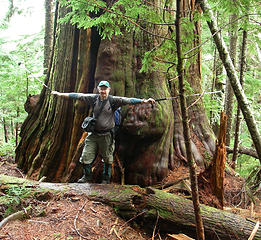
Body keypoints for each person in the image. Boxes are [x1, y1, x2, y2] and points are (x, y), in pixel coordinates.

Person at [51, 80, 155, 184]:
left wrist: (144, 101)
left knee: (107, 159)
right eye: (101, 88)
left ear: (109, 90)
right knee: (85, 157)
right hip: (93, 135)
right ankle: (87, 177)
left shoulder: (113, 100)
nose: (103, 91)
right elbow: (78, 96)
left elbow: (128, 100)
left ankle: (106, 179)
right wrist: (60, 94)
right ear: (98, 89)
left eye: (105, 88)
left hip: (106, 136)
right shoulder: (94, 98)